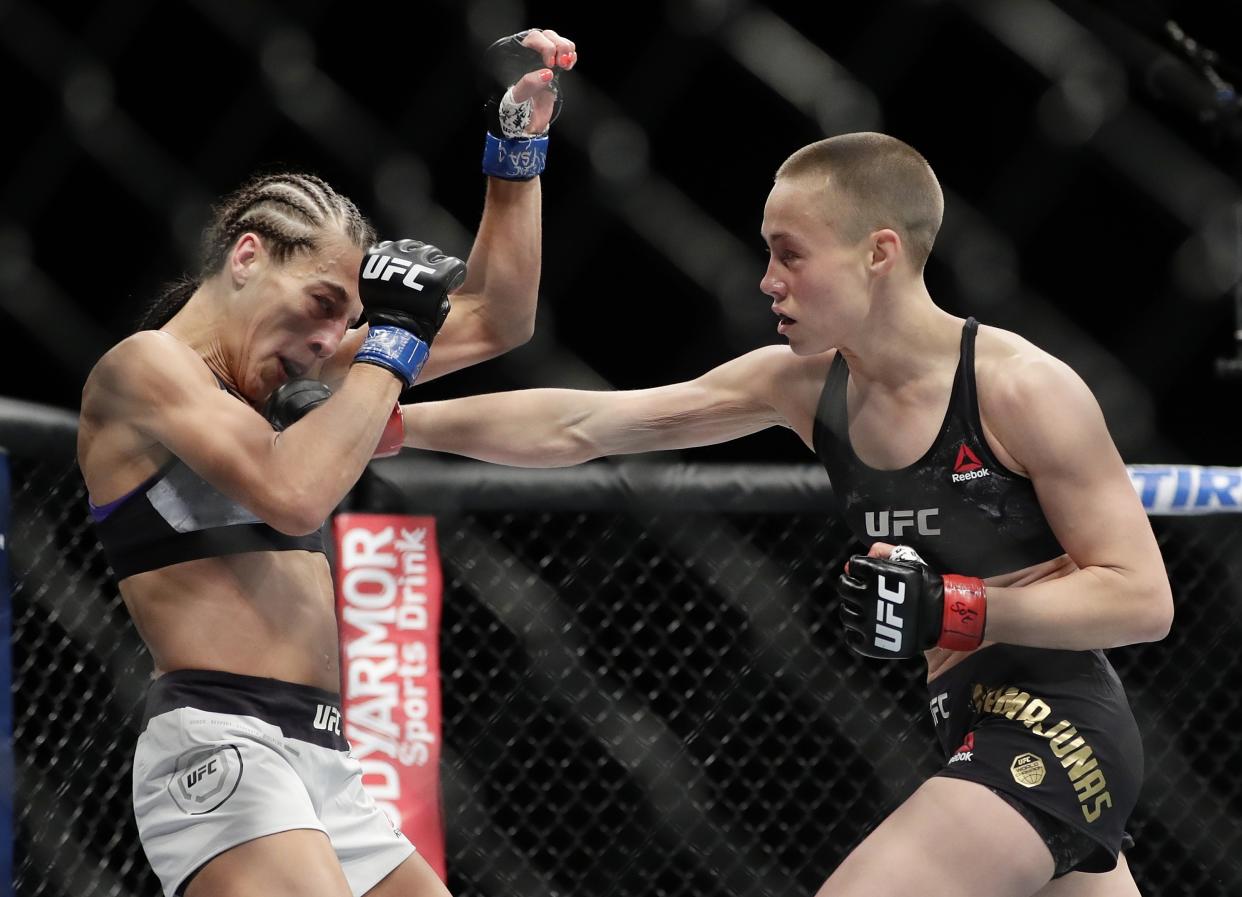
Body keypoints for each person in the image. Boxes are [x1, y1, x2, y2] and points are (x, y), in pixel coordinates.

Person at [394, 132, 1173, 897]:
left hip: (1054, 724)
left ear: (879, 252)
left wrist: (954, 608)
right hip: (967, 718)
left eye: (791, 254)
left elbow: (1141, 598)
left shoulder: (1023, 388)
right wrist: (391, 427)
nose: (768, 280)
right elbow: (585, 425)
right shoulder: (802, 384)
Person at [76, 28, 578, 897]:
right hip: (220, 742)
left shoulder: (293, 381)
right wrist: (390, 340)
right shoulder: (144, 368)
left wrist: (515, 150)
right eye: (319, 306)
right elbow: (294, 492)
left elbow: (499, 317)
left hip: (323, 753)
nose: (322, 342)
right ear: (246, 257)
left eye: (343, 322)